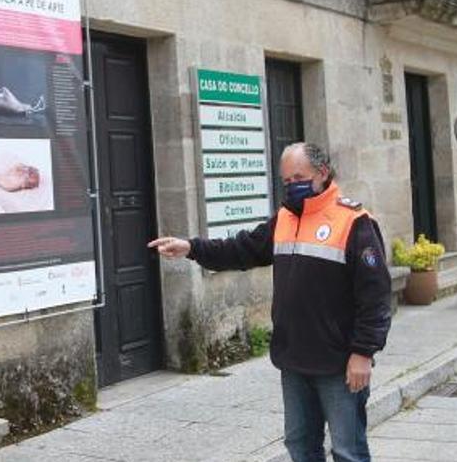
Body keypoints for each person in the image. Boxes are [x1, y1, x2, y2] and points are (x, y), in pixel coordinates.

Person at [148, 142, 392, 462]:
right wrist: (191, 248)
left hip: (339, 363)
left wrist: (362, 353)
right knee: (300, 447)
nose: (292, 185)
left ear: (322, 173)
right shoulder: (285, 219)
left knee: (348, 451)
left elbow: (375, 295)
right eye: (286, 180)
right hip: (293, 360)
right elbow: (241, 249)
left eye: (299, 177)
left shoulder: (354, 222)